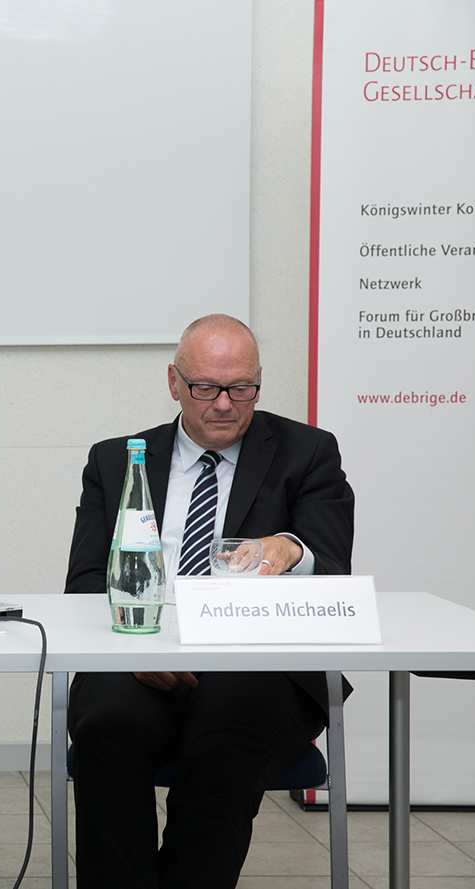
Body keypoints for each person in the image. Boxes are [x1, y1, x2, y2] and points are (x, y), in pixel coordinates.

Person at [64, 314, 354, 889]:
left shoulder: (307, 452)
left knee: (223, 747)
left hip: (258, 665)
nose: (224, 404)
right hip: (139, 655)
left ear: (258, 383)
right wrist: (135, 651)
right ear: (174, 383)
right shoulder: (115, 460)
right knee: (106, 732)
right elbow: (87, 582)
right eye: (206, 388)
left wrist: (291, 548)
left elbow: (331, 563)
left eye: (240, 388)